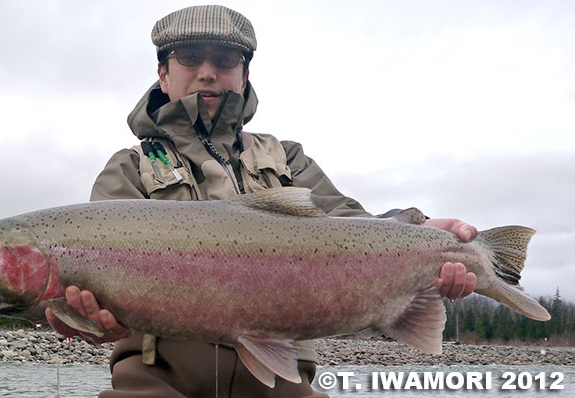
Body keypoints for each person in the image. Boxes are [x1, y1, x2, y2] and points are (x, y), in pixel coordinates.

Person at [46, 5, 478, 397]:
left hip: (286, 383)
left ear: (244, 73)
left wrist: (418, 233)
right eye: (190, 58)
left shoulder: (286, 158)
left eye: (225, 60)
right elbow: (85, 294)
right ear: (163, 73)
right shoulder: (131, 167)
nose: (208, 72)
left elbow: (353, 223)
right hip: (156, 383)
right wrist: (80, 319)